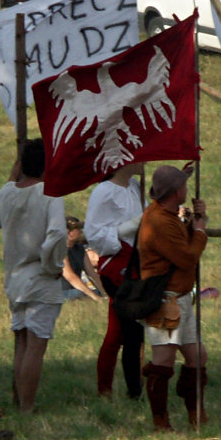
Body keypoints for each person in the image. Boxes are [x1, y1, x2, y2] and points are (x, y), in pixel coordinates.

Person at [0, 141, 72, 415]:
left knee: (22, 342)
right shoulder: (50, 194)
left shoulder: (6, 193)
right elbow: (57, 234)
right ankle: (27, 406)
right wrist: (52, 265)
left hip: (15, 277)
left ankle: (20, 402)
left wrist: (15, 172)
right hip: (40, 276)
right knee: (35, 346)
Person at [137, 165, 208, 431]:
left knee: (197, 357)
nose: (186, 188)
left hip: (180, 298)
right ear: (176, 191)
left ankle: (196, 414)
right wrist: (199, 230)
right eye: (183, 185)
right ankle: (161, 421)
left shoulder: (167, 216)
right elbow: (187, 258)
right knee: (163, 361)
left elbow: (180, 244)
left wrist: (193, 222)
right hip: (166, 300)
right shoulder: (159, 221)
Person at [86, 162, 145, 400]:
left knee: (117, 332)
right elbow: (94, 233)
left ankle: (107, 389)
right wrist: (131, 226)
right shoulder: (104, 192)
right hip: (117, 269)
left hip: (135, 267)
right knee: (131, 333)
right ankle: (130, 391)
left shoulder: (135, 186)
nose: (145, 160)